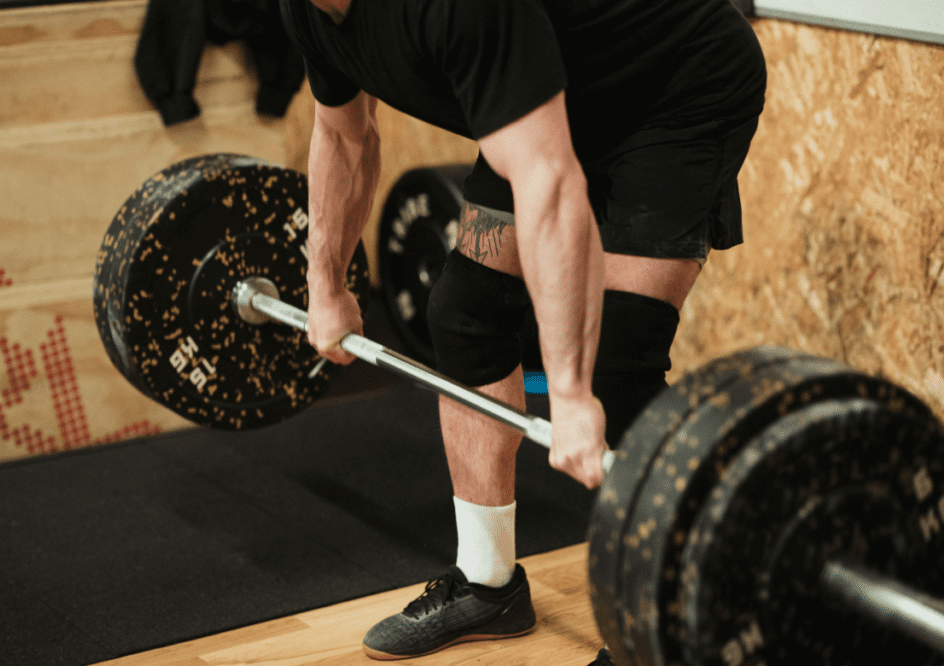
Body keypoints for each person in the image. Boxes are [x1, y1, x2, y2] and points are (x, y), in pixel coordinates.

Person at [279, 0, 766, 661]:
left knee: (617, 359)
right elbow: (342, 134)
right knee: (465, 315)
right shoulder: (307, 10)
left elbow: (552, 180)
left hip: (676, 84)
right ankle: (488, 586)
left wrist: (567, 394)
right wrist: (325, 285)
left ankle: (667, 624)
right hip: (554, 97)